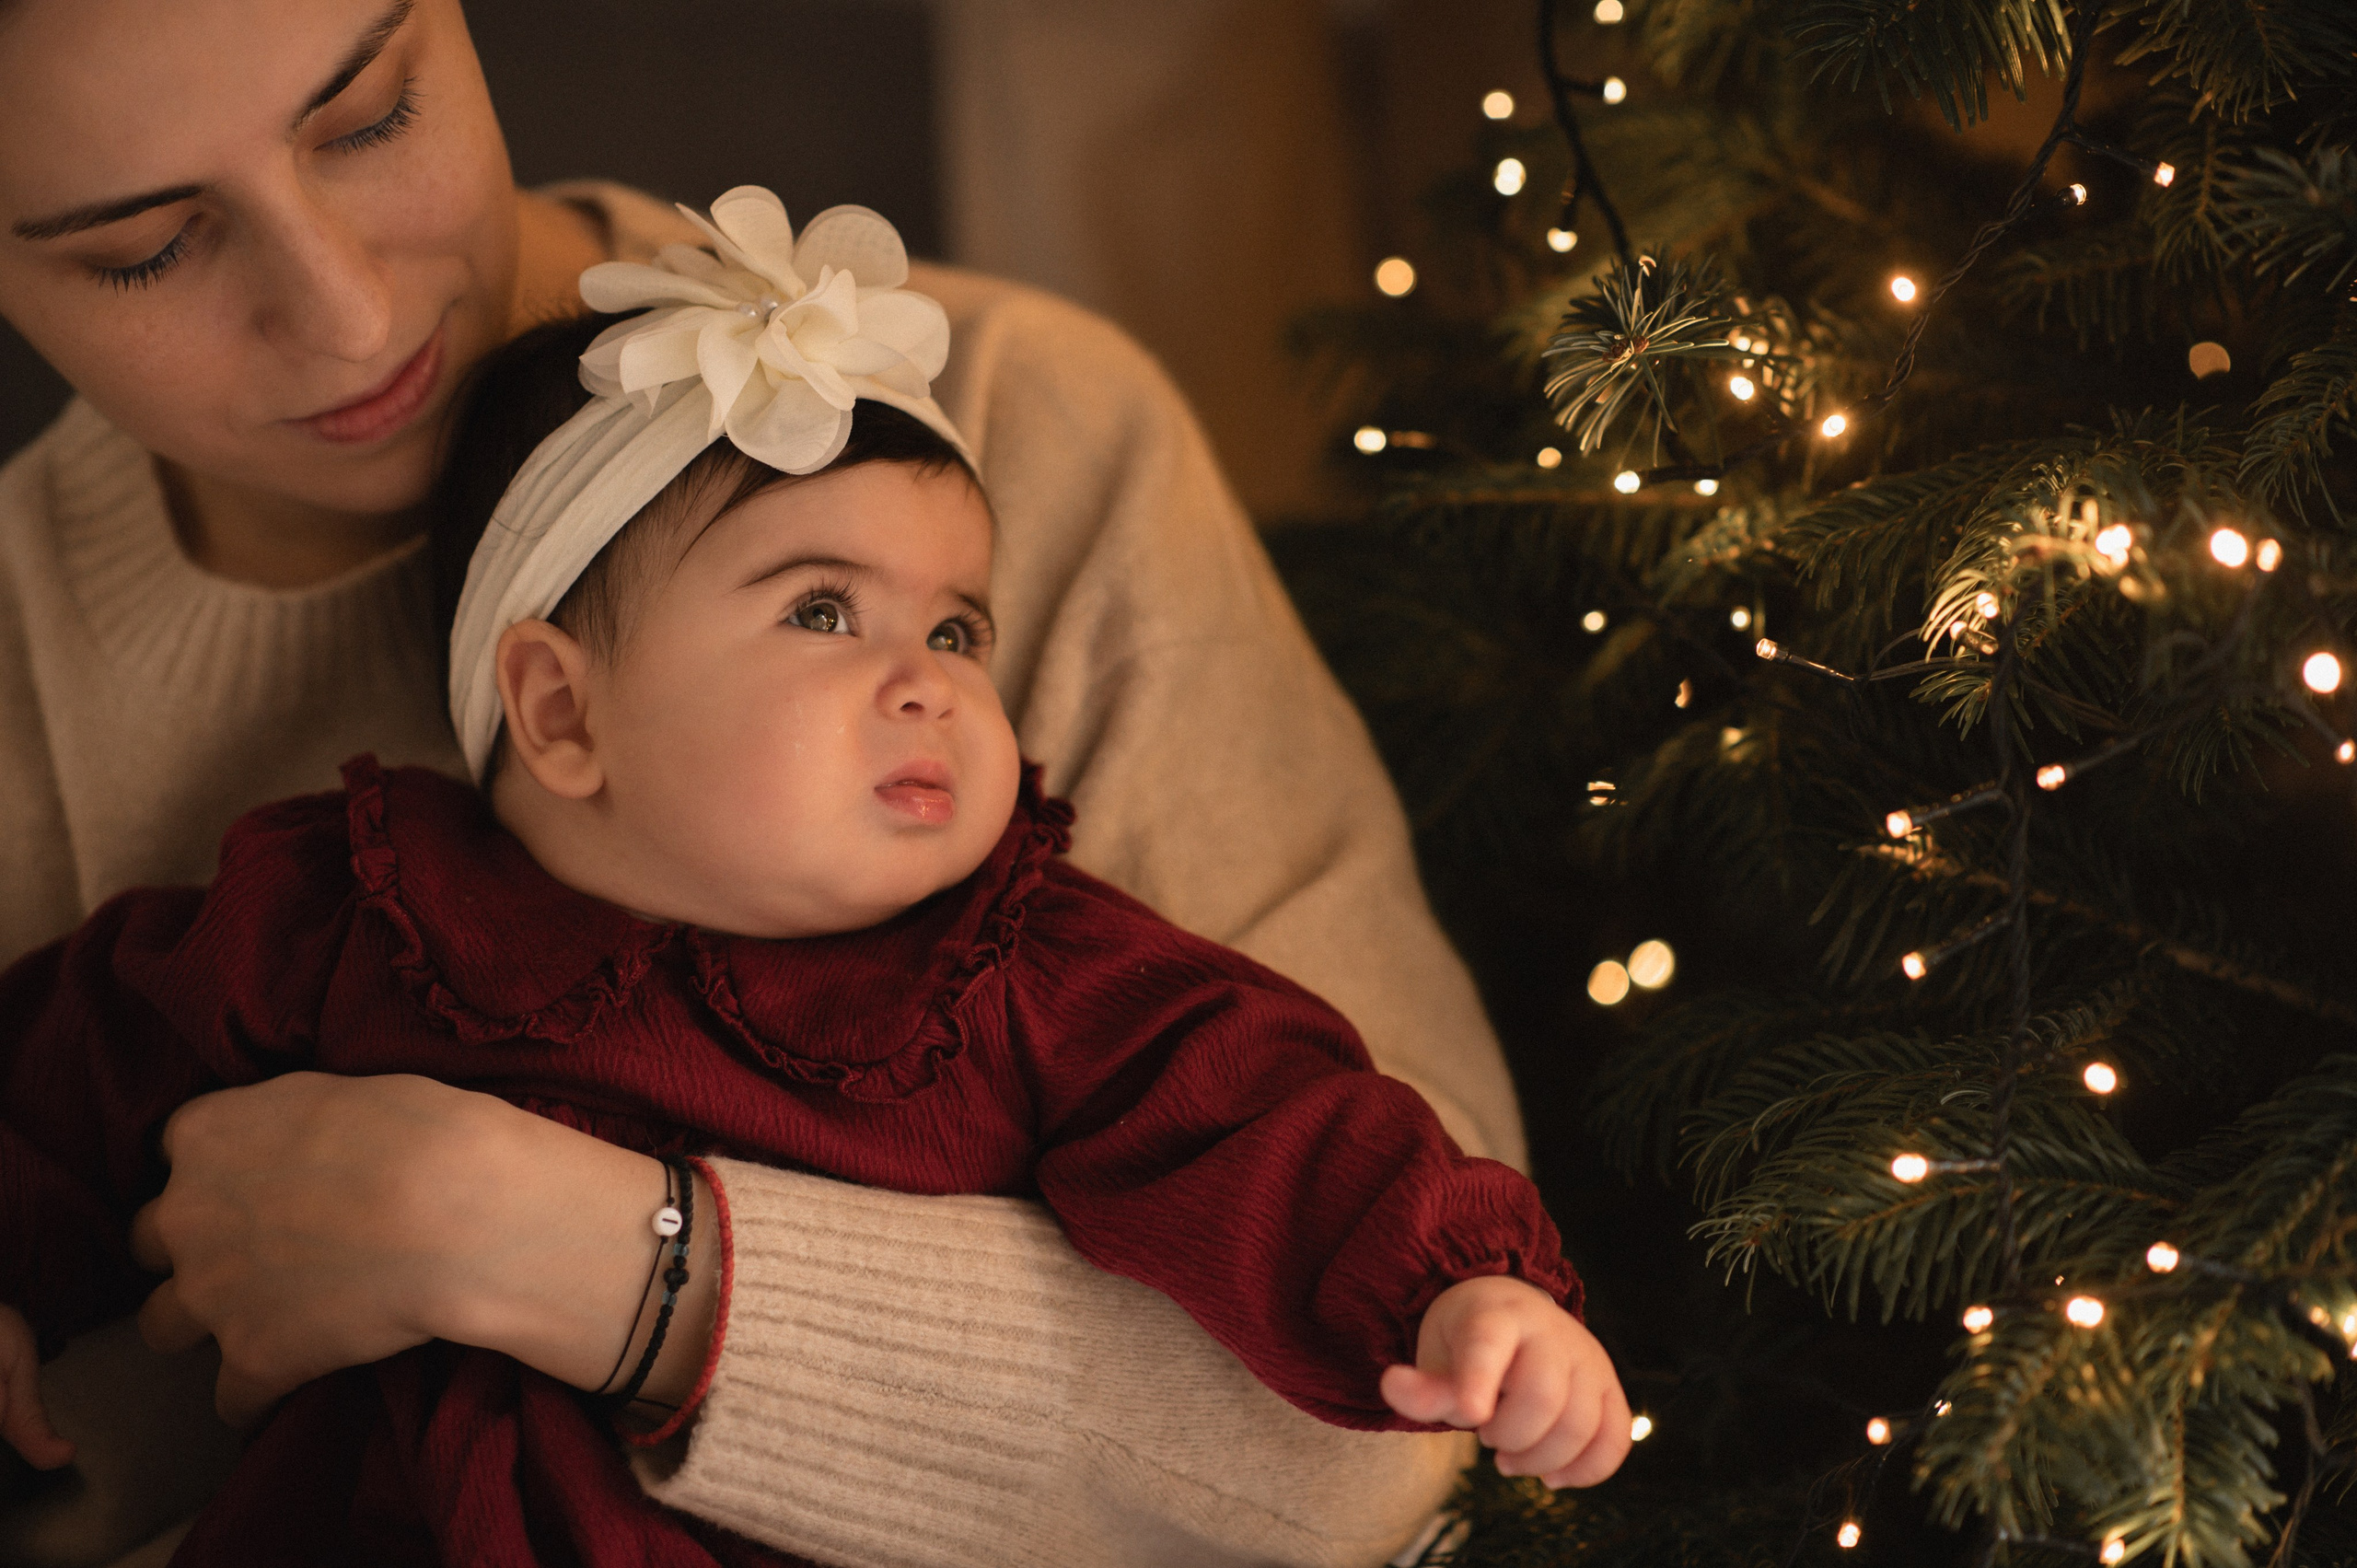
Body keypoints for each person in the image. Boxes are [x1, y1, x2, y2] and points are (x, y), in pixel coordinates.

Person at [0, 2, 1544, 1563]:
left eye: (370, 116)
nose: (341, 313)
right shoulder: (333, 896)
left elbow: (1404, 1443)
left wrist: (568, 1256)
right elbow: (89, 1051)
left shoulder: (1005, 452)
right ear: (553, 705)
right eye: (143, 248)